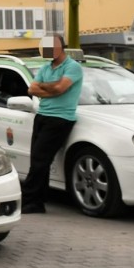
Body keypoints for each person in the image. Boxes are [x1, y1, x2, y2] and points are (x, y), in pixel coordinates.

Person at [21, 34, 83, 214]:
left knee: (40, 161)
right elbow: (32, 89)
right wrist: (52, 89)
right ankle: (37, 202)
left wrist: (46, 87)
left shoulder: (73, 67)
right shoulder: (45, 67)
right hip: (42, 116)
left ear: (61, 47)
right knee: (38, 161)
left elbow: (60, 88)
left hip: (60, 119)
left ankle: (29, 201)